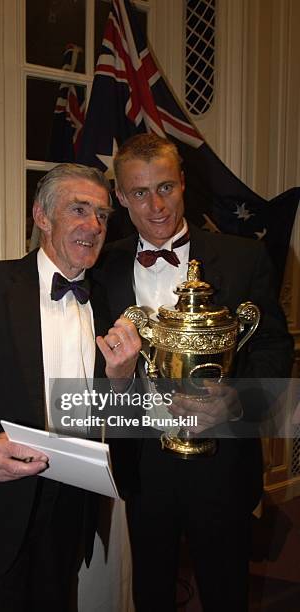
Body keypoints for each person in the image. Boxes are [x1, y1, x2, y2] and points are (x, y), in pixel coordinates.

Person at [0, 163, 140, 612]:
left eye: (102, 215)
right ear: (41, 216)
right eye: (79, 209)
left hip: (71, 510)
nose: (93, 226)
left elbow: (116, 419)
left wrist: (122, 381)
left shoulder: (114, 305)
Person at [95, 134, 294, 611]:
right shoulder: (101, 266)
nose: (156, 205)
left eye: (166, 187)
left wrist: (239, 400)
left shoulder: (243, 257)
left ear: (184, 182)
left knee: (226, 589)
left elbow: (274, 347)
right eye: (139, 193)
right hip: (139, 460)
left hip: (222, 459)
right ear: (120, 197)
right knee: (150, 589)